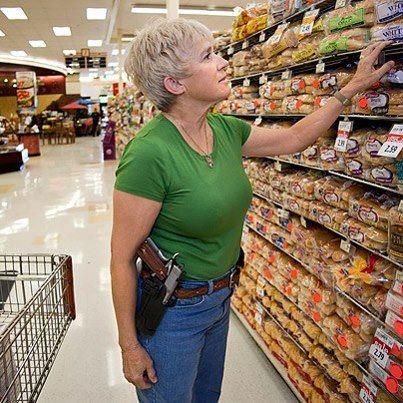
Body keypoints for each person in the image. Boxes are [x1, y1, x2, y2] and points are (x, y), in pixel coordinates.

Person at [110, 18, 394, 403]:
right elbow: (121, 259)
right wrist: (129, 346)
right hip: (172, 313)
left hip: (221, 298)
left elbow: (294, 137)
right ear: (175, 84)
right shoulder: (148, 153)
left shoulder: (226, 130)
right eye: (208, 56)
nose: (224, 62)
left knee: (206, 397)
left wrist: (350, 89)